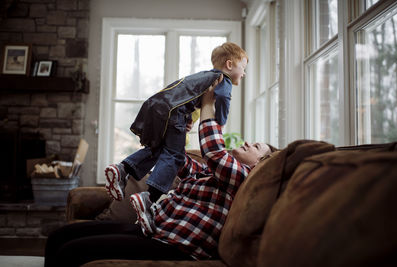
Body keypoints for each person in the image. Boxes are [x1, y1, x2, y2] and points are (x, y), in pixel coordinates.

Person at [44, 78, 273, 267]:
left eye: (257, 147)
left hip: (175, 245)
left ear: (260, 163)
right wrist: (179, 128)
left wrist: (208, 106)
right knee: (59, 237)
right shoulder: (209, 171)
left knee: (70, 252)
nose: (250, 143)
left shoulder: (245, 178)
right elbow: (177, 159)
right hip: (154, 230)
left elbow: (213, 151)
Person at [105, 42, 249, 218]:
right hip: (173, 112)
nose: (244, 73)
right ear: (229, 65)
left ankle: (123, 169)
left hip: (158, 106)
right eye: (243, 67)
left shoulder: (206, 76)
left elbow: (185, 95)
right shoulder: (222, 80)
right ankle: (150, 198)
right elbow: (223, 98)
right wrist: (221, 121)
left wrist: (186, 120)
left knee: (159, 150)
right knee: (175, 155)